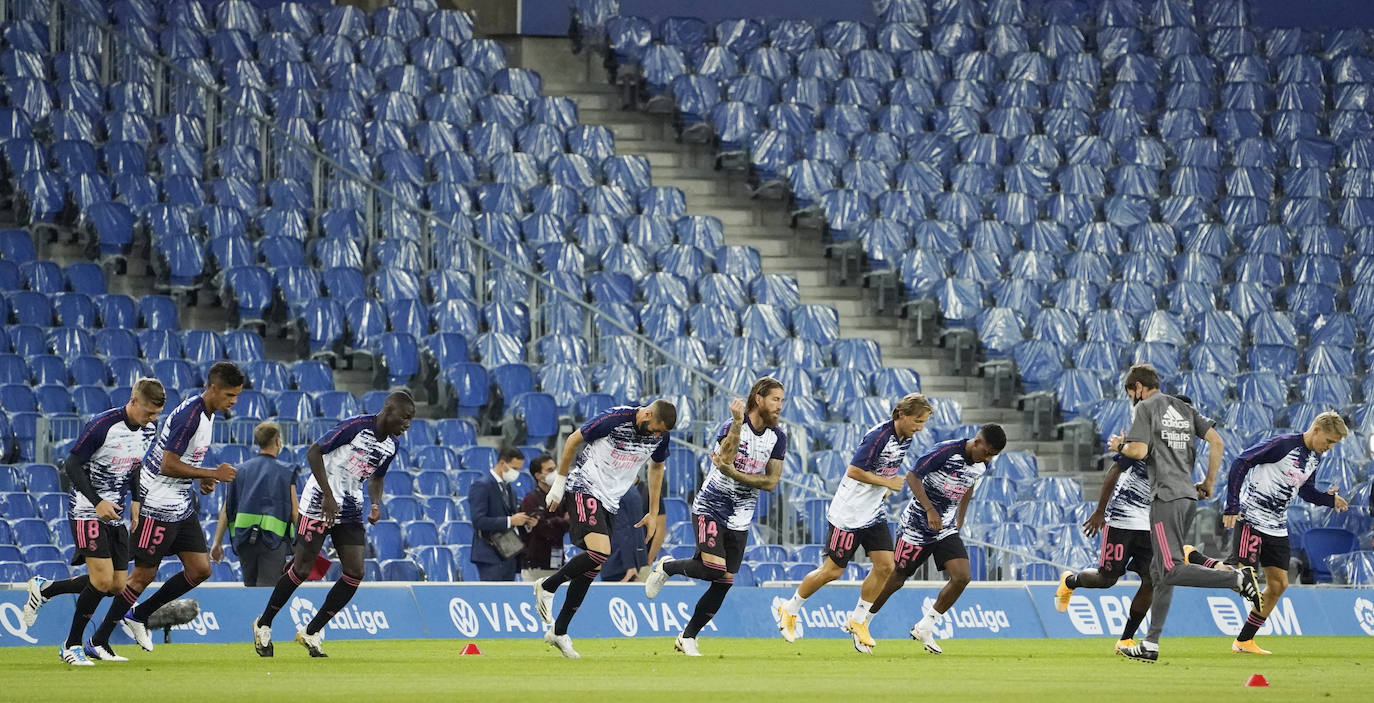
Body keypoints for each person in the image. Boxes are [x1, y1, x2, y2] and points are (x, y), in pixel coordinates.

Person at [85, 363, 243, 655]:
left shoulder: (207, 415)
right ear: (214, 388)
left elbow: (185, 460)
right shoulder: (190, 416)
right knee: (142, 574)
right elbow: (167, 464)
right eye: (230, 395)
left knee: (200, 569)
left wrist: (203, 478)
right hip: (157, 502)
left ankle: (139, 615)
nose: (234, 401)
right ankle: (98, 640)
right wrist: (211, 472)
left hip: (180, 502)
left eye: (237, 396)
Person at [1112, 364, 1263, 663]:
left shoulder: (1145, 408)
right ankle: (1150, 644)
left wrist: (1120, 445)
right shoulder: (1183, 408)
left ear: (1139, 387)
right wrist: (1209, 482)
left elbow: (1138, 451)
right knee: (1160, 573)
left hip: (1165, 497)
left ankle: (1236, 579)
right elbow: (1217, 441)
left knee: (1170, 569)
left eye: (1131, 393)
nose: (1132, 399)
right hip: (1187, 497)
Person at [252, 392, 415, 658]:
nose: (407, 424)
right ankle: (264, 623)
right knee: (302, 569)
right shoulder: (356, 426)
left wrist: (375, 503)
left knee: (355, 572)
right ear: (389, 409)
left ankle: (311, 631)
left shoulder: (391, 445)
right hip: (319, 501)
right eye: (405, 417)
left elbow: (377, 477)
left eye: (411, 420)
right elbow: (314, 452)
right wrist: (327, 495)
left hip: (349, 508)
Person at [772, 393, 932, 653]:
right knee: (832, 571)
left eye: (923, 422)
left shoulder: (905, 438)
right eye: (917, 421)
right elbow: (854, 471)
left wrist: (884, 488)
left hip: (873, 512)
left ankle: (858, 621)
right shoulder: (878, 436)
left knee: (886, 566)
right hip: (848, 514)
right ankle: (789, 609)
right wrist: (887, 483)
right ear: (902, 415)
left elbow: (883, 468)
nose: (920, 427)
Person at [21, 379, 165, 665]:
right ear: (133, 401)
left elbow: (135, 465)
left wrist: (137, 500)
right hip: (87, 509)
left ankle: (46, 588)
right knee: (101, 580)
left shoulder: (149, 428)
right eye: (149, 412)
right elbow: (72, 465)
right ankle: (71, 645)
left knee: (116, 585)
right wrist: (97, 502)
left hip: (115, 512)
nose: (152, 418)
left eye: (156, 414)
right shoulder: (103, 425)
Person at [1181, 411, 1349, 654]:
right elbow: (1241, 462)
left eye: (1334, 444)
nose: (1330, 447)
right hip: (1251, 518)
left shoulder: (1315, 458)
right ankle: (1193, 557)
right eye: (1329, 441)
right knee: (1239, 580)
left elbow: (1306, 491)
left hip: (1277, 526)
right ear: (1316, 430)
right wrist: (1232, 505)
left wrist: (1329, 500)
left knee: (1279, 584)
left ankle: (1244, 641)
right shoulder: (1283, 445)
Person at [644, 378, 786, 656]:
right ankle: (667, 567)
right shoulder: (731, 426)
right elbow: (726, 459)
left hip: (741, 517)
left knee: (724, 581)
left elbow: (771, 482)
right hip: (711, 506)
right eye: (775, 399)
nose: (780, 406)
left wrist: (734, 474)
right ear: (758, 399)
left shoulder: (778, 437)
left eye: (782, 400)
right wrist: (737, 423)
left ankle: (687, 637)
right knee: (714, 569)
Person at [532, 400, 675, 659]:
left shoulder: (660, 436)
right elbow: (572, 440)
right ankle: (548, 586)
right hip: (585, 485)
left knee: (594, 565)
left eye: (661, 433)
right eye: (656, 429)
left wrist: (653, 512)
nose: (657, 435)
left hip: (611, 500)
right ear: (647, 414)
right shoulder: (615, 419)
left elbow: (657, 467)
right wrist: (559, 484)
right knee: (600, 552)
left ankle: (559, 631)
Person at [867, 423, 1006, 654]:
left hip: (945, 527)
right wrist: (930, 510)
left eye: (992, 455)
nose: (988, 458)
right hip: (916, 525)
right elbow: (912, 477)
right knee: (897, 577)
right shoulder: (946, 451)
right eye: (987, 452)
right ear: (977, 441)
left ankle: (925, 626)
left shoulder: (981, 464)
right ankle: (863, 621)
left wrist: (960, 518)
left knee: (962, 577)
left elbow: (968, 485)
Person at [209, 422, 299, 587]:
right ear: (277, 441)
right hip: (274, 541)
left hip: (245, 540)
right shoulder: (287, 472)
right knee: (267, 590)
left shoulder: (239, 471)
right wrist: (305, 542)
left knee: (250, 588)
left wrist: (217, 542)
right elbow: (294, 513)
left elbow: (227, 509)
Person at [470, 447, 537, 581]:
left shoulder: (509, 488)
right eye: (514, 468)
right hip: (489, 553)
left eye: (519, 469)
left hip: (509, 551)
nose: (516, 473)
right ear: (502, 463)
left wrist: (525, 521)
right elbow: (478, 521)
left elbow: (511, 514)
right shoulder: (482, 485)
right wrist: (510, 521)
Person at [519, 454, 569, 582]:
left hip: (557, 560)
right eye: (550, 470)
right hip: (535, 565)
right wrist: (559, 522)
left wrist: (549, 522)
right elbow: (540, 529)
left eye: (555, 469)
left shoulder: (561, 498)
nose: (555, 473)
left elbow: (571, 522)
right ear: (538, 476)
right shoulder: (530, 500)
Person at [600, 473, 650, 582]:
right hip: (638, 560)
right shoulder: (633, 491)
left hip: (619, 564)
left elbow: (622, 530)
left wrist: (629, 565)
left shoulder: (615, 493)